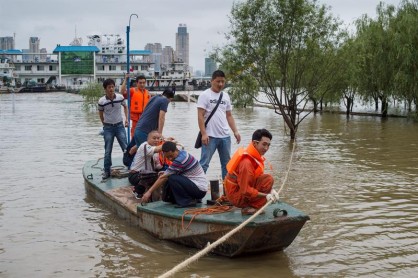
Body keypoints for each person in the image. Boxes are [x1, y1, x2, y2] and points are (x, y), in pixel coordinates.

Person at [197, 70, 241, 179]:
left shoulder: (225, 96)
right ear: (212, 81)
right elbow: (200, 116)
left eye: (223, 81)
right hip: (209, 136)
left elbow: (229, 115)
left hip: (225, 136)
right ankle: (196, 188)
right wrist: (203, 134)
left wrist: (235, 131)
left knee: (227, 166)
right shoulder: (204, 95)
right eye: (218, 81)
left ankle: (227, 191)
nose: (220, 84)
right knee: (204, 164)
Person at [141, 141, 208, 208]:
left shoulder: (180, 160)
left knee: (172, 178)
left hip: (199, 190)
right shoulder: (183, 153)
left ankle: (187, 201)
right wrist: (166, 172)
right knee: (169, 176)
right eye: (167, 157)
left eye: (171, 156)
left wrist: (149, 192)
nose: (170, 159)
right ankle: (187, 198)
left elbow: (163, 178)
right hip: (198, 188)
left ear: (176, 150)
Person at [224, 129, 275, 215]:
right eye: (264, 144)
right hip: (237, 196)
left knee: (268, 179)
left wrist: (271, 191)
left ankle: (253, 205)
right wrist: (265, 195)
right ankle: (249, 208)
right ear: (255, 143)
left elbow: (258, 177)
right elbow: (245, 190)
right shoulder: (246, 163)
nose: (266, 148)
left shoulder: (254, 157)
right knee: (267, 181)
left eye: (268, 145)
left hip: (240, 190)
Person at [98, 78, 128, 179]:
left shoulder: (119, 97)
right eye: (109, 87)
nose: (111, 89)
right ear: (105, 89)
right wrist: (105, 124)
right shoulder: (102, 101)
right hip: (108, 128)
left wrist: (126, 119)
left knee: (125, 148)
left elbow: (125, 106)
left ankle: (130, 166)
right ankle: (107, 171)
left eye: (112, 87)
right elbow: (101, 114)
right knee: (107, 150)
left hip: (119, 126)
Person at [128, 130, 164, 199]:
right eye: (154, 138)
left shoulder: (155, 149)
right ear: (148, 139)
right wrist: (168, 143)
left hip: (146, 174)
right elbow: (158, 149)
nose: (156, 140)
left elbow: (158, 166)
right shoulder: (144, 146)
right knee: (152, 176)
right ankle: (137, 191)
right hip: (135, 175)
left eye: (158, 138)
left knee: (162, 174)